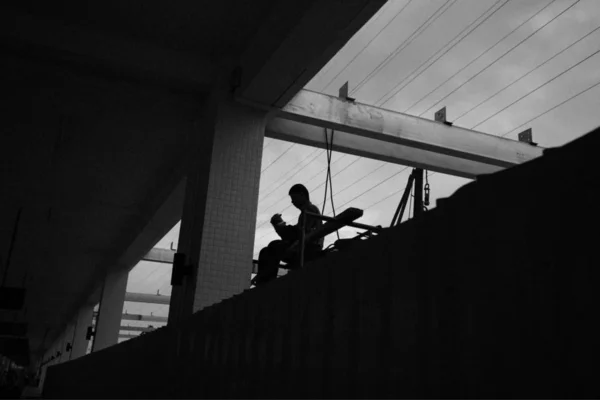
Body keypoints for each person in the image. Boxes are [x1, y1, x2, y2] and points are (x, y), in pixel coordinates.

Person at [252, 184, 324, 286]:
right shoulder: (307, 211)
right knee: (267, 250)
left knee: (273, 246)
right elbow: (296, 233)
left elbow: (297, 234)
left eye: (294, 198)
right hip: (303, 247)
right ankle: (264, 281)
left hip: (309, 249)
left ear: (302, 195)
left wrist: (280, 225)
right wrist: (281, 227)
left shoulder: (310, 210)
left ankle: (265, 282)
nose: (292, 202)